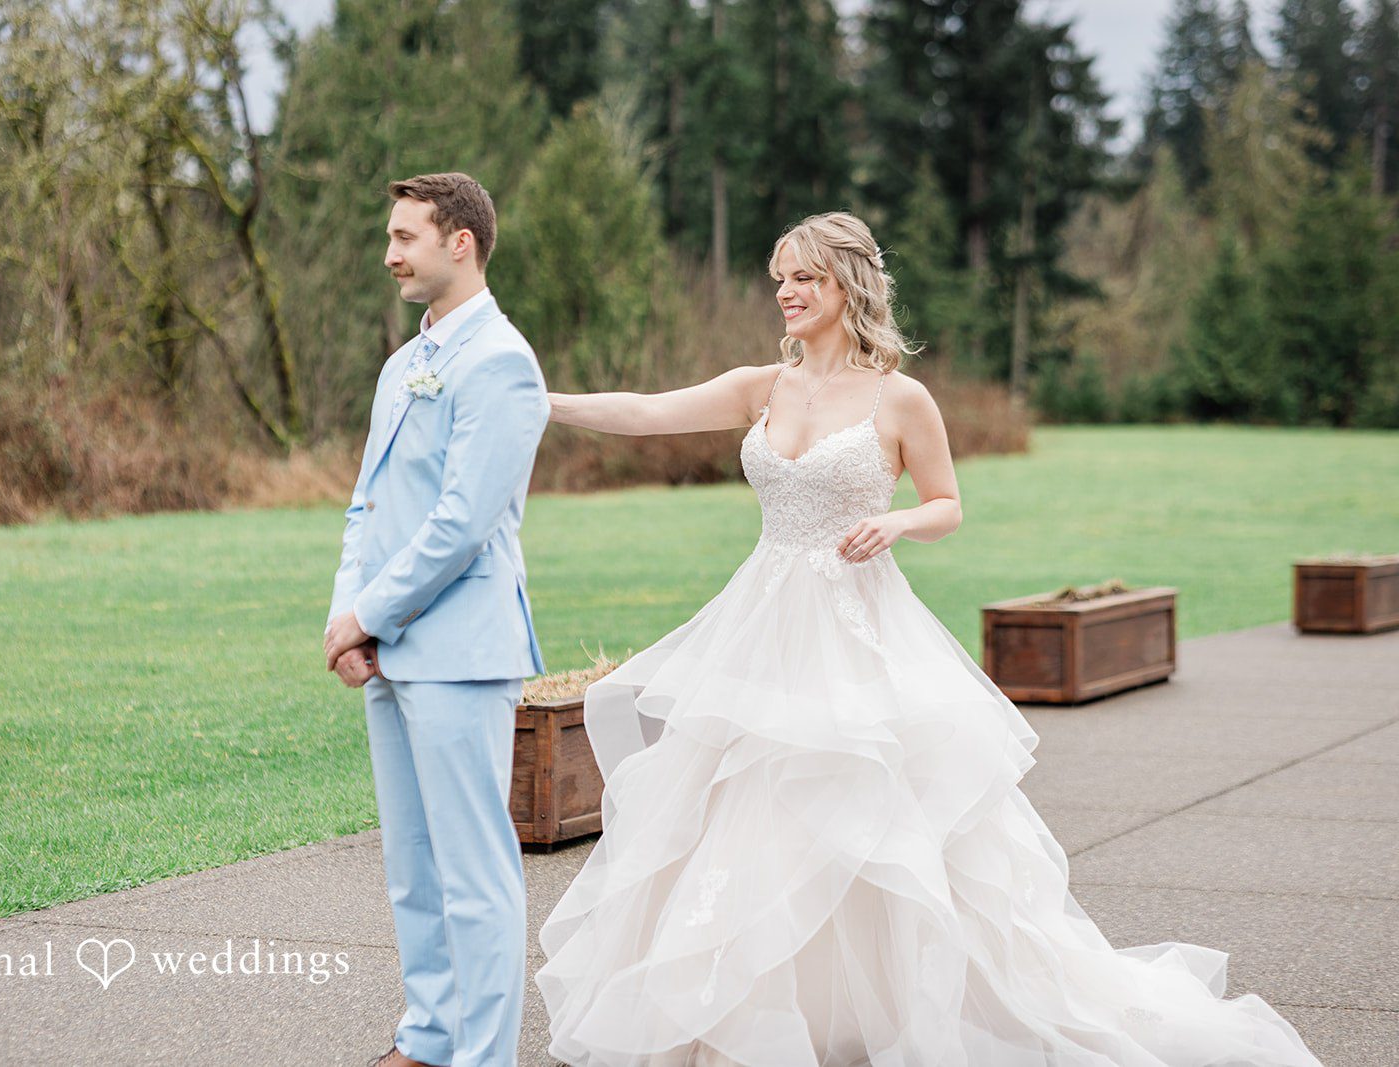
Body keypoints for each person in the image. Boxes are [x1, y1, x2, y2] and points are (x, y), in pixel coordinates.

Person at [533, 212, 1322, 1066]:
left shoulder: (899, 397)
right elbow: (646, 412)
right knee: (746, 811)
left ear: (848, 285)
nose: (787, 294)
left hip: (859, 629)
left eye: (804, 278)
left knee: (875, 812)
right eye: (780, 280)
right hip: (762, 621)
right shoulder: (762, 385)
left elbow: (948, 505)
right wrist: (538, 400)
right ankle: (770, 1015)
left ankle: (911, 1008)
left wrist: (899, 520)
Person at [323, 171, 550, 1067]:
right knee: (414, 870)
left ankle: (484, 1055)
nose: (389, 254)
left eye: (405, 237)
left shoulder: (502, 361)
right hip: (387, 649)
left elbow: (463, 522)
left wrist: (367, 614)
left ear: (461, 241)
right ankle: (426, 1038)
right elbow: (366, 506)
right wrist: (350, 614)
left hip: (461, 653)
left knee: (475, 876)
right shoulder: (401, 363)